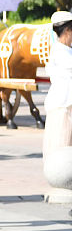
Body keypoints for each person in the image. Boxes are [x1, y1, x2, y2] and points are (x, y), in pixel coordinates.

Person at [43, 11, 72, 156]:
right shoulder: (61, 52)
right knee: (62, 149)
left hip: (66, 106)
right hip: (63, 107)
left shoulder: (66, 50)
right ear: (67, 30)